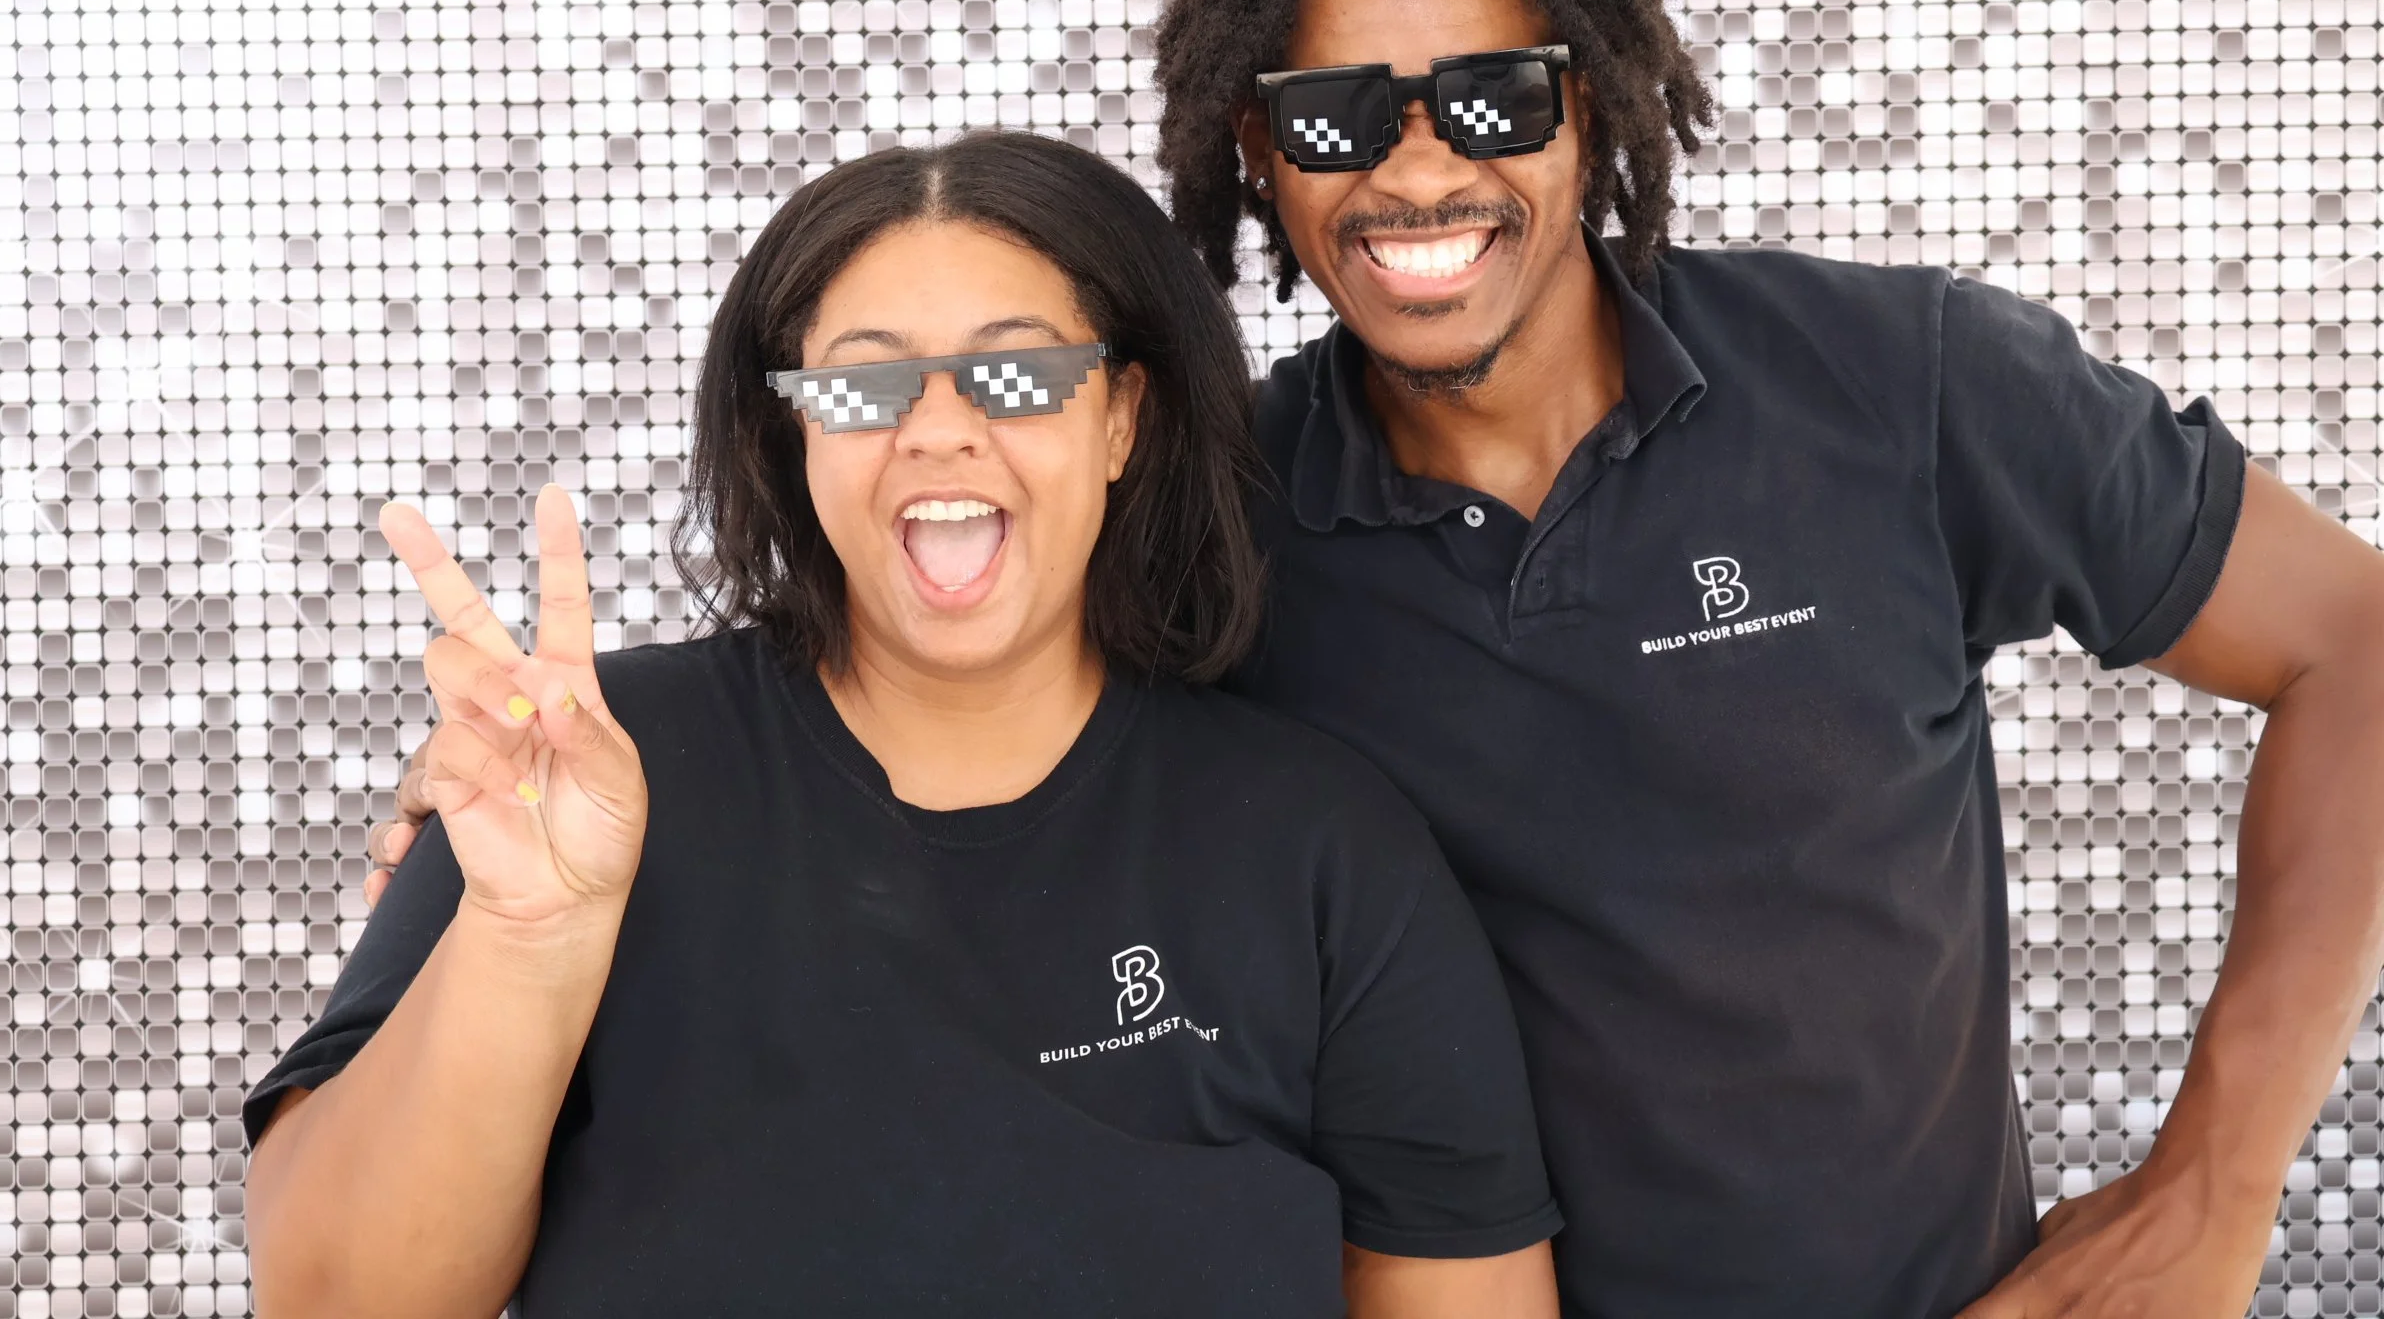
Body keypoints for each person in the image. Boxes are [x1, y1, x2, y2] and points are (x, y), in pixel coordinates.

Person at [371, 0, 2384, 1317]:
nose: (1418, 167)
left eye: (1493, 95)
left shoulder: (1905, 384)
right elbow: (924, 672)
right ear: (1255, 153)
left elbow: (2358, 644)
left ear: (1592, 108)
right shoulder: (1207, 512)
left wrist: (2220, 1184)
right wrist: (526, 856)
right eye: (1339, 116)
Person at [245, 131, 1562, 1318]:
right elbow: (332, 1298)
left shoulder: (1319, 841)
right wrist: (527, 935)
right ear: (795, 436)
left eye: (1017, 373)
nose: (938, 432)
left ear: (1121, 419)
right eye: (865, 387)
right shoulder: (582, 769)